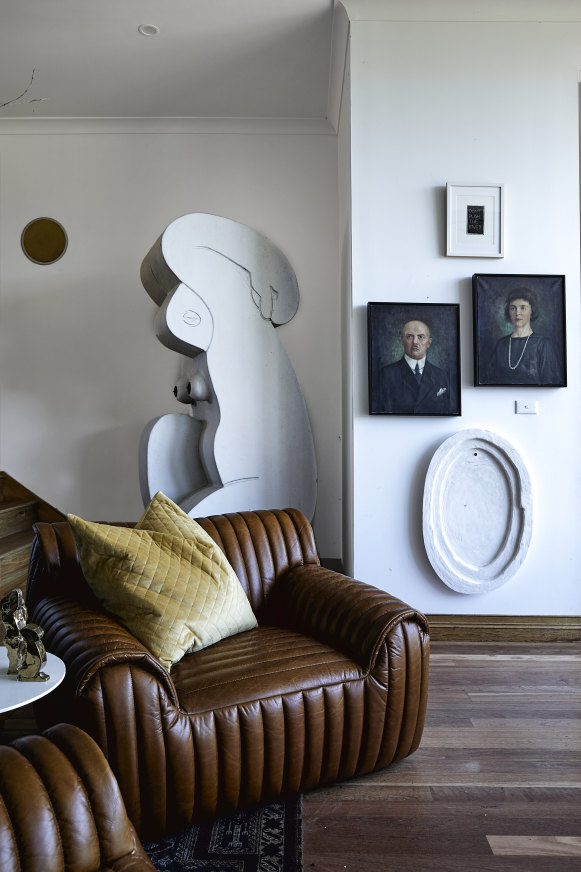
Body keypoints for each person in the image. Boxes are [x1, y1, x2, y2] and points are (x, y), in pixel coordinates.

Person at [484, 288, 561, 385]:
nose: (517, 313)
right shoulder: (501, 344)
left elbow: (551, 383)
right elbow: (488, 381)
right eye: (513, 308)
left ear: (531, 310)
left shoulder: (543, 344)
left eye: (523, 308)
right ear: (509, 312)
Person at [378, 319, 454, 414]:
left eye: (421, 337)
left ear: (429, 342)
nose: (415, 342)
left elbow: (451, 409)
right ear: (402, 340)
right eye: (409, 336)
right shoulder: (387, 374)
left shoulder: (441, 375)